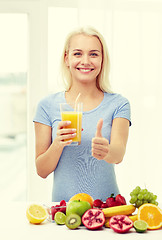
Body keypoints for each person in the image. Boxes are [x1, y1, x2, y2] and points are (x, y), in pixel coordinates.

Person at [33, 26, 131, 202]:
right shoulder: (47, 106)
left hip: (107, 211)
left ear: (102, 60)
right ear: (67, 58)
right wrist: (58, 144)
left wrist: (106, 150)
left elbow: (119, 154)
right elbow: (41, 170)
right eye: (78, 54)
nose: (85, 61)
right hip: (64, 214)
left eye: (94, 54)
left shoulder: (118, 104)